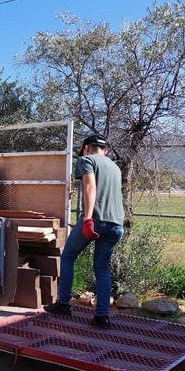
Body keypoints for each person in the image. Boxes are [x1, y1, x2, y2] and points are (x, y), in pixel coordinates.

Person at [45, 134, 125, 328]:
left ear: (87, 148)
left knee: (68, 257)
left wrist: (87, 219)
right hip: (116, 225)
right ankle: (101, 317)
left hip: (95, 220)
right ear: (105, 150)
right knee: (102, 269)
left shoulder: (86, 160)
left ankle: (64, 304)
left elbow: (90, 187)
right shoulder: (115, 167)